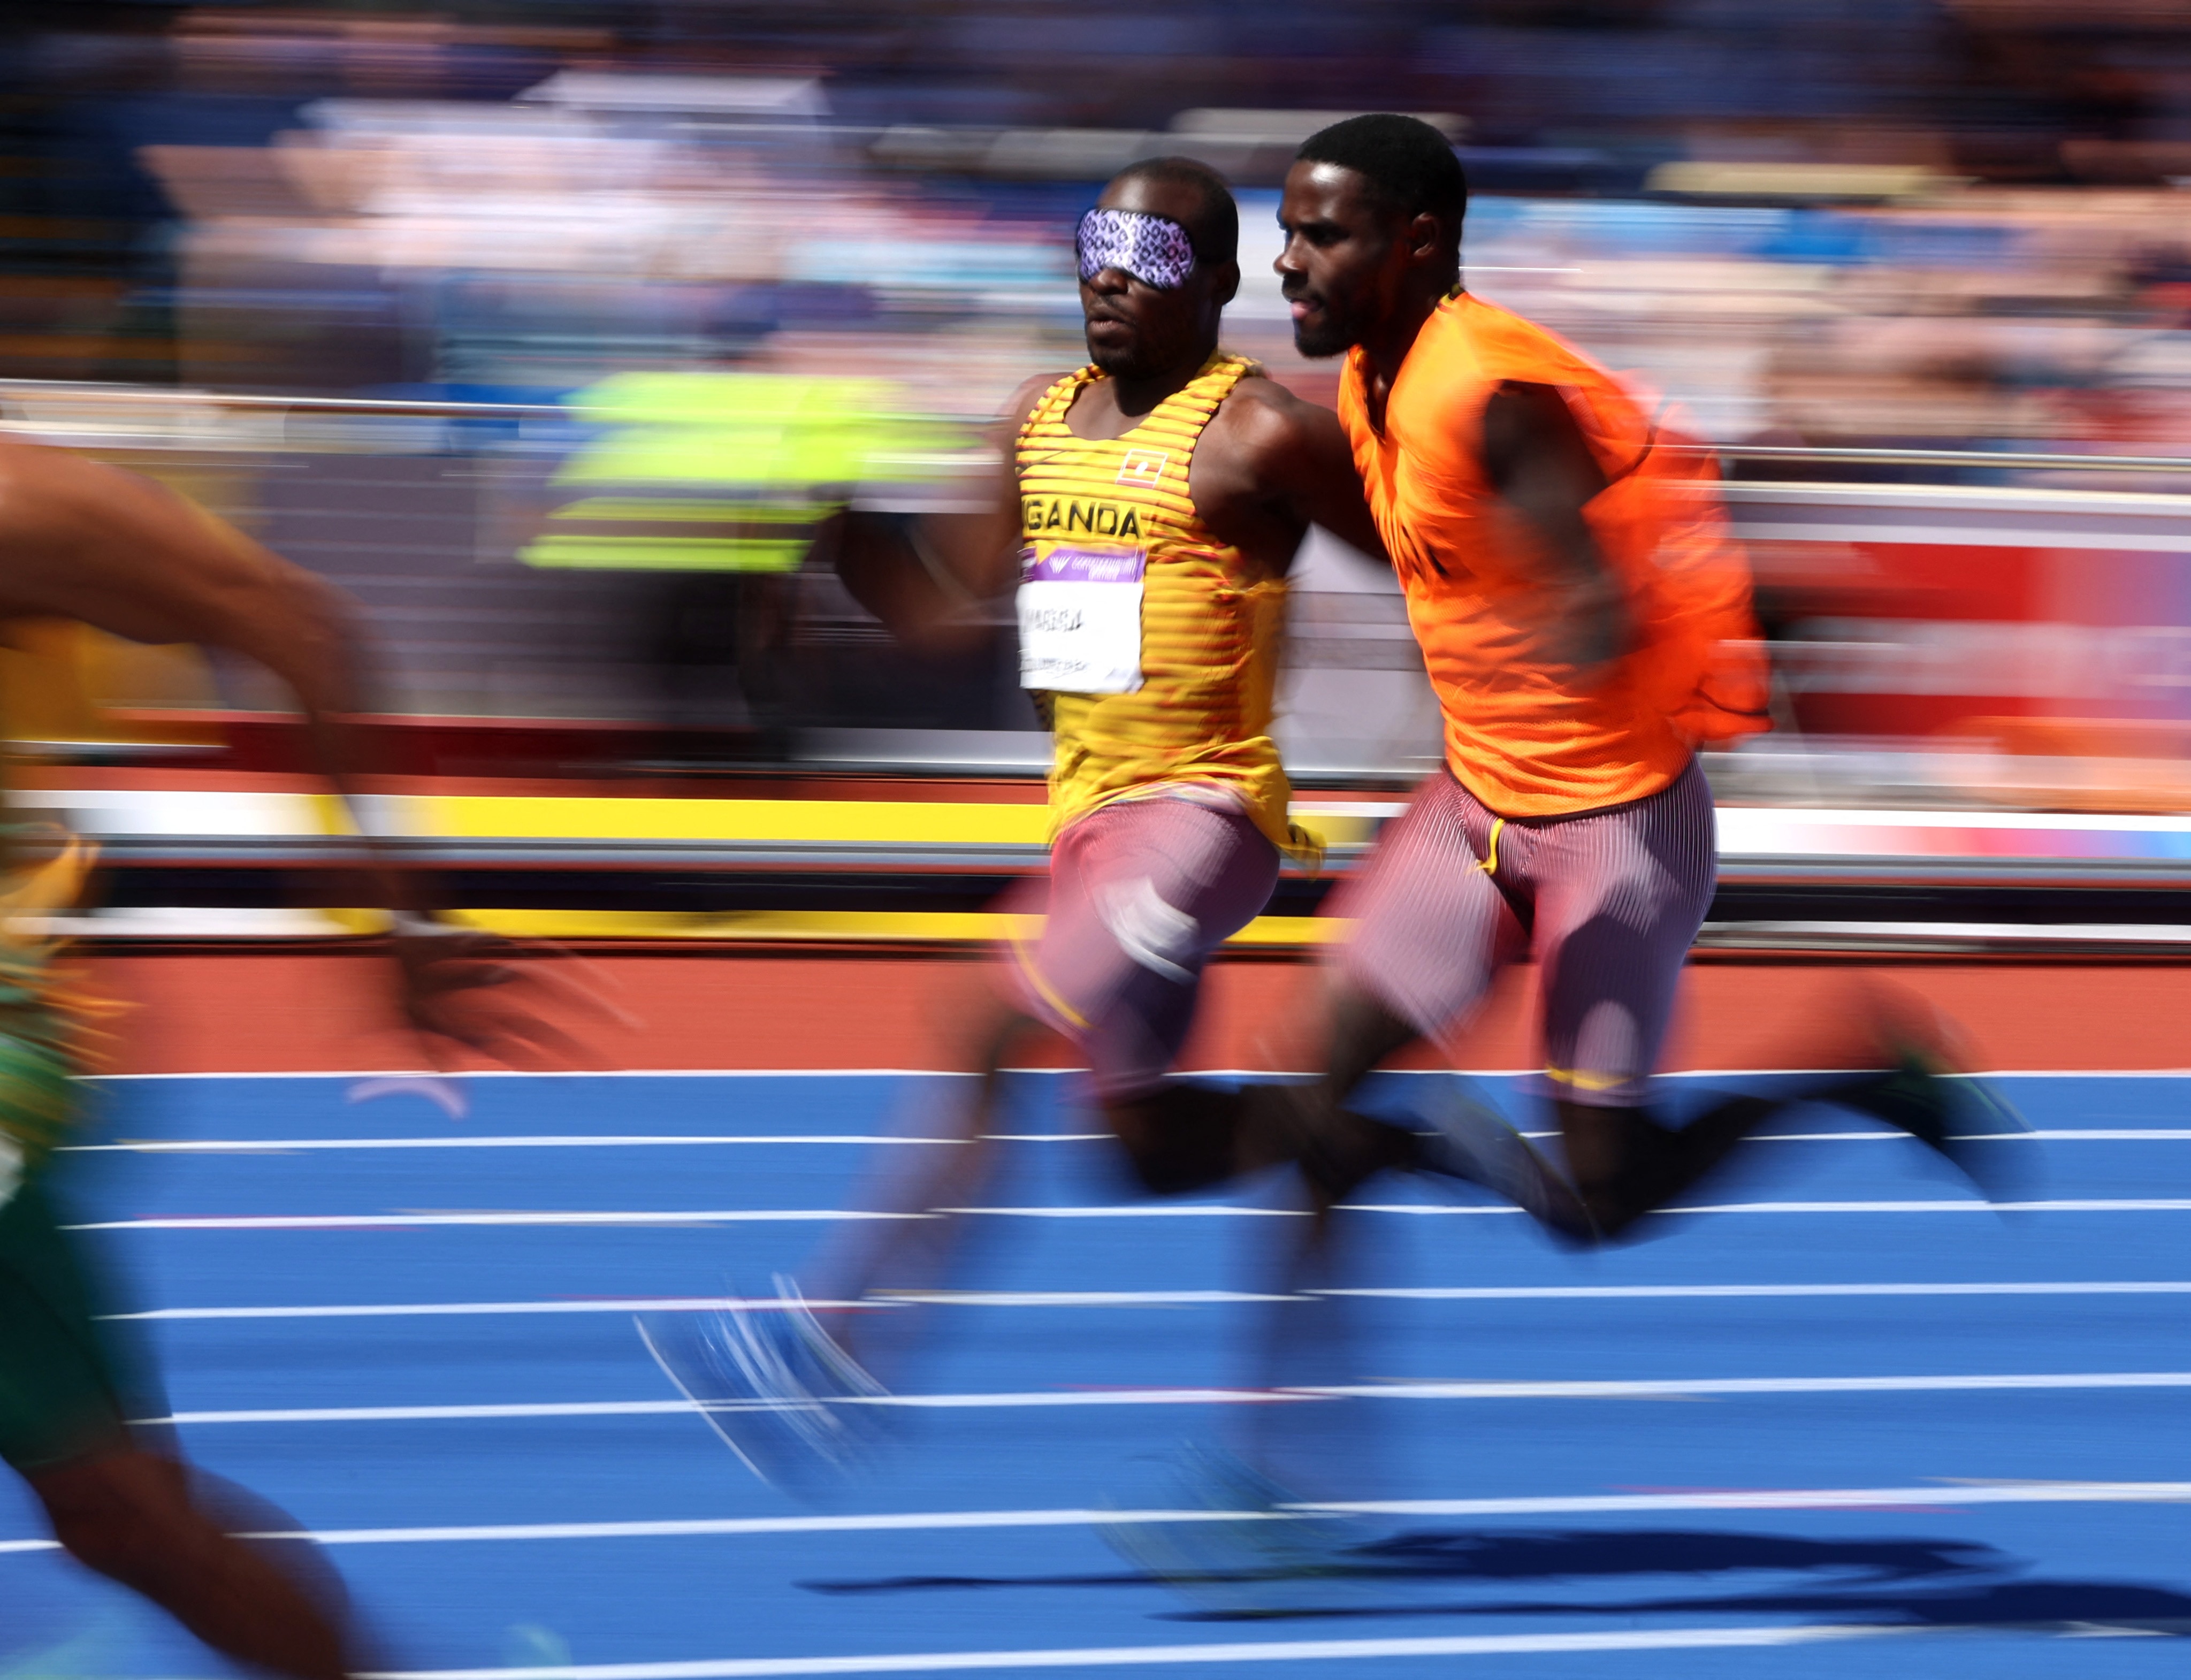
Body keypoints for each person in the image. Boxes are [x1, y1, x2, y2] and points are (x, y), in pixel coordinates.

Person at [638, 156, 1475, 1494]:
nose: (1105, 277)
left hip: (1200, 819)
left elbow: (1437, 569)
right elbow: (937, 613)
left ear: (1213, 283)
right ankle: (1375, 1136)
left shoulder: (1261, 432)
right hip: (1089, 825)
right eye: (1093, 245)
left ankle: (835, 1342)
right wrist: (823, 535)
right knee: (1141, 1153)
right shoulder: (1037, 418)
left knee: (982, 1020)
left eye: (1143, 258)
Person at [1259, 113, 2024, 1254]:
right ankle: (1285, 1435)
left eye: (1319, 235)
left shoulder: (1495, 396)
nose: (1286, 260)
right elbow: (1418, 534)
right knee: (1310, 1100)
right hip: (1474, 807)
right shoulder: (1373, 370)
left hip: (1615, 833)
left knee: (1600, 1204)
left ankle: (1855, 1065)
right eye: (1286, 232)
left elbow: (1597, 592)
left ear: (1415, 243)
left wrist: (1580, 613)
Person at [0, 441, 586, 1678]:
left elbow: (297, 626)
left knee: (123, 1511)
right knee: (121, 1516)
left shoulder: (23, 507)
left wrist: (391, 922)